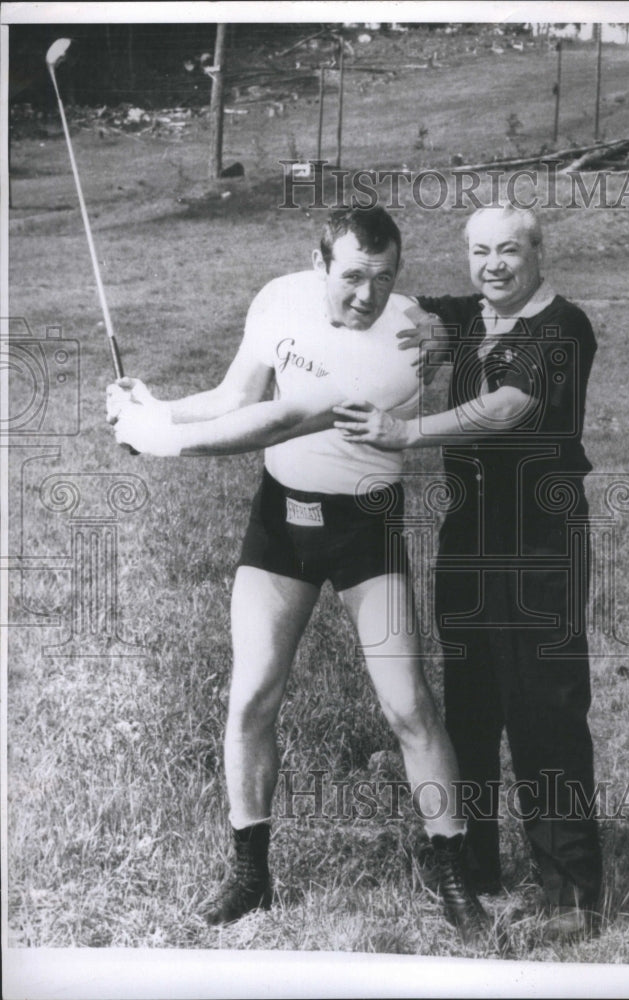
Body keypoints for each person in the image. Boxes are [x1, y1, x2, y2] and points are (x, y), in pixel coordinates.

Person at [106, 207, 488, 942]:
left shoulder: (401, 342)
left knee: (408, 705)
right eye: (351, 277)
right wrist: (152, 409)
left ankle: (453, 871)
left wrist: (156, 440)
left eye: (384, 279)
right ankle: (250, 873)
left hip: (364, 527)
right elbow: (236, 398)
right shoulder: (277, 298)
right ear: (318, 266)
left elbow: (281, 421)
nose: (367, 296)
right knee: (251, 695)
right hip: (280, 520)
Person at [333, 204, 602, 939]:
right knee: (473, 710)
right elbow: (398, 305)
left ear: (538, 253)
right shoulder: (471, 313)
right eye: (480, 251)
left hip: (539, 543)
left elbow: (507, 406)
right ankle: (476, 865)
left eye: (509, 251)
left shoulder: (561, 329)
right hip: (468, 539)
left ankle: (573, 893)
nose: (493, 265)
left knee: (544, 711)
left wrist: (406, 431)